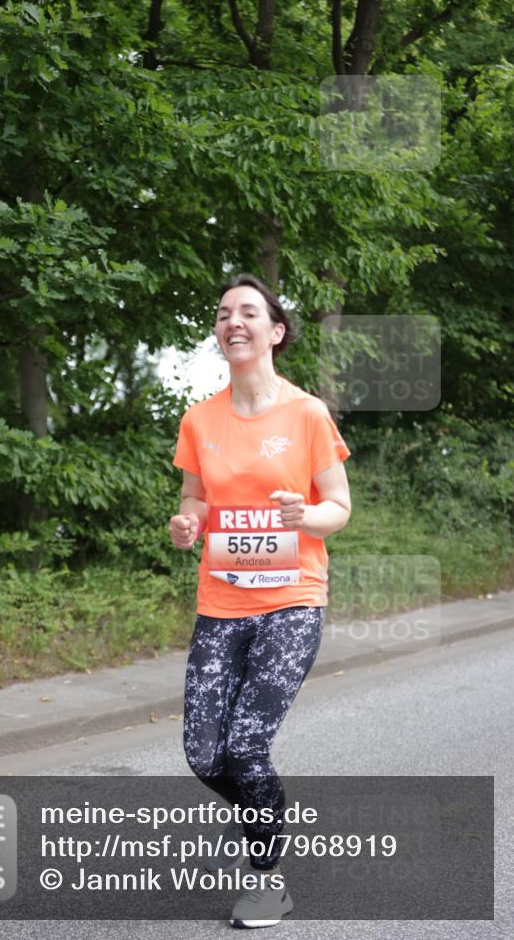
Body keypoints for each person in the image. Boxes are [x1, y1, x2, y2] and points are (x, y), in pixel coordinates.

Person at [169, 274, 351, 929]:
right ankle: (261, 812)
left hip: (291, 602)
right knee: (202, 753)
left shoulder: (305, 414)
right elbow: (193, 499)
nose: (232, 321)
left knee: (245, 748)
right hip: (220, 603)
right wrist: (186, 522)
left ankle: (266, 877)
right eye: (223, 314)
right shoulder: (199, 418)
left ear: (274, 331)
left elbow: (339, 506)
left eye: (248, 312)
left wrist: (307, 515)